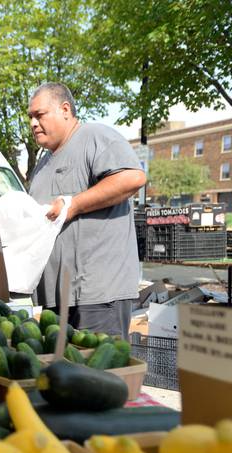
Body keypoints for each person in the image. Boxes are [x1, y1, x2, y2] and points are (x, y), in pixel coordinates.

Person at [27, 83, 146, 339]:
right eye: (30, 117)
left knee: (99, 375)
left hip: (97, 295)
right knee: (66, 375)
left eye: (40, 115)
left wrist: (73, 205)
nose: (34, 124)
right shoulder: (42, 164)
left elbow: (132, 178)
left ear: (65, 109)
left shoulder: (95, 136)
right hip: (56, 299)